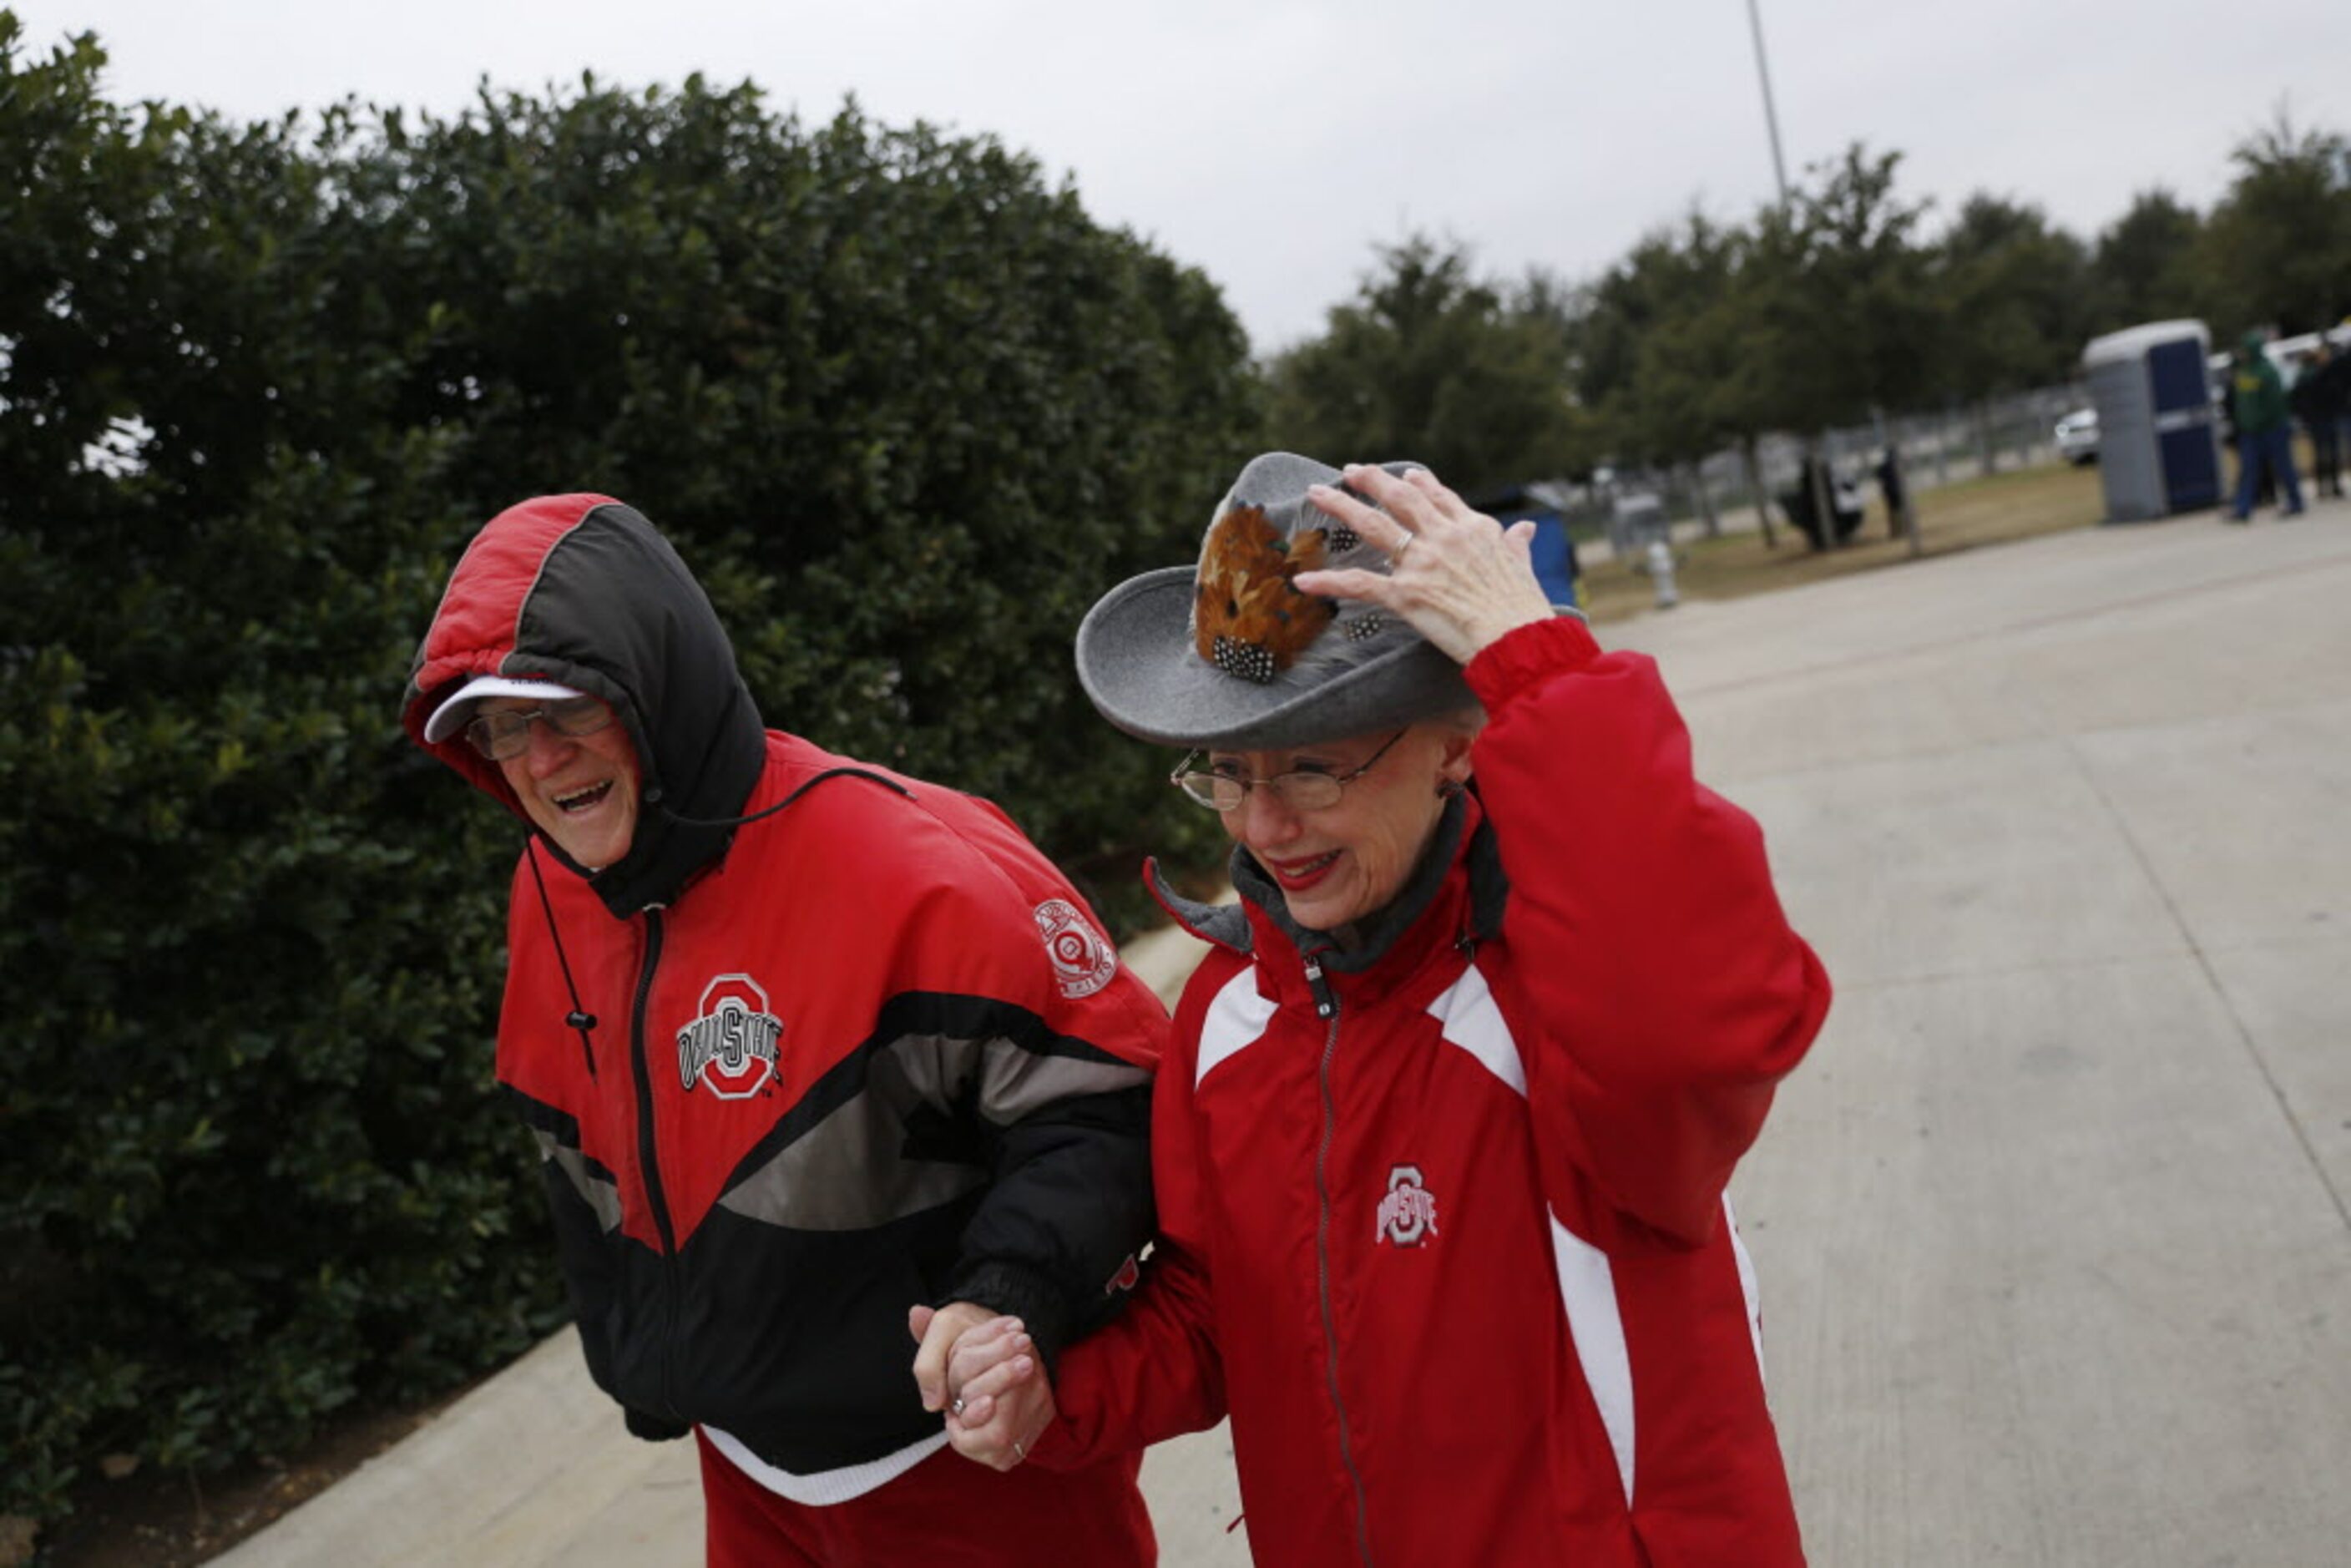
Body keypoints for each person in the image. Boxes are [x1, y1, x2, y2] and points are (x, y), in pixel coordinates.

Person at [933, 453, 1833, 1565]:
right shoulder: (1228, 1011)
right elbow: (1222, 1311)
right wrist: (1053, 1391)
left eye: (1316, 765)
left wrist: (1538, 664)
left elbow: (1696, 1036)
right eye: (1229, 769)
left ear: (1458, 741)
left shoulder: (1551, 986)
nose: (1263, 825)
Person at [400, 493, 1165, 1566]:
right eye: (498, 728)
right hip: (747, 1477)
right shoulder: (548, 891)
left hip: (967, 1470)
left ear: (654, 686)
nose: (539, 757)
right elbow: (575, 1153)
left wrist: (1008, 1298)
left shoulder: (908, 863)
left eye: (566, 707)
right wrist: (645, 1360)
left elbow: (1107, 1104)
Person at [2228, 330, 2306, 521]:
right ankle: (2242, 509)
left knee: (2283, 467)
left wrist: (2261, 421)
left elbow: (2275, 404)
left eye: (2245, 350)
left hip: (2272, 429)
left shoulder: (2267, 371)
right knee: (2248, 470)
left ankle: (2296, 502)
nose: (2242, 353)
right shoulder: (2243, 371)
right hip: (2250, 432)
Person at [2288, 338, 2347, 499]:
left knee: (2326, 453)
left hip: (2322, 418)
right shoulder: (2315, 374)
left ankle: (2328, 486)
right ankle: (2328, 486)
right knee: (2325, 453)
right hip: (2320, 419)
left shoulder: (2315, 374)